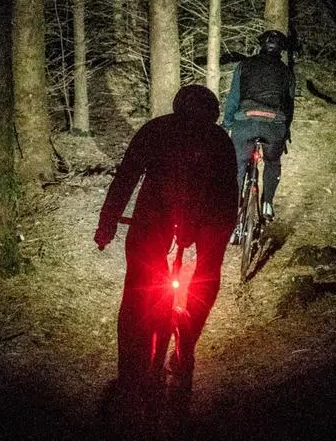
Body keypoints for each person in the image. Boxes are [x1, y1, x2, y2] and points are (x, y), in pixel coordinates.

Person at [95, 84, 238, 423]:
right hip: (185, 217)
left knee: (139, 289)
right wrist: (214, 238)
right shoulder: (218, 139)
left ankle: (137, 371)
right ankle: (183, 348)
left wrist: (108, 222)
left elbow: (126, 178)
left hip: (173, 217)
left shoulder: (158, 129)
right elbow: (228, 197)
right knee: (202, 275)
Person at [222, 29, 295, 225]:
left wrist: (227, 123)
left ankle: (231, 209)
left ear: (261, 45)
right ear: (280, 50)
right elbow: (289, 106)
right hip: (274, 125)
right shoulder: (286, 72)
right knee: (272, 162)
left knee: (238, 164)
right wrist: (285, 130)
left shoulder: (244, 65)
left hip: (245, 121)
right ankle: (267, 203)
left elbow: (234, 98)